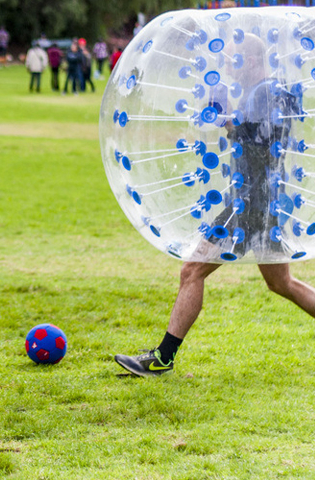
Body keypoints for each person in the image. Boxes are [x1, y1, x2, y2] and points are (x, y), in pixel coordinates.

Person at [115, 32, 315, 377]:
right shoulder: (266, 92)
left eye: (233, 60)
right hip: (263, 202)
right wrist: (228, 118)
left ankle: (163, 358)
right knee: (281, 283)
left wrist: (226, 120)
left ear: (251, 61)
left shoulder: (264, 92)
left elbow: (259, 143)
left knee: (191, 271)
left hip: (250, 205)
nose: (228, 67)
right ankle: (162, 358)